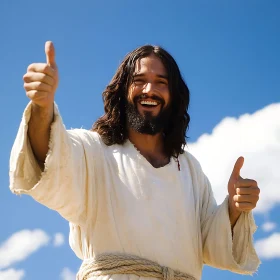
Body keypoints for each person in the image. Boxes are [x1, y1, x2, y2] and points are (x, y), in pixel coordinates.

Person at [9, 41, 261, 280]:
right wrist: (43, 107)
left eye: (160, 83)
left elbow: (211, 242)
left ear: (173, 96)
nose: (149, 90)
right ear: (122, 91)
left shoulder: (190, 169)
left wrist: (235, 208)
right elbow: (53, 159)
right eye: (139, 81)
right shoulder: (94, 151)